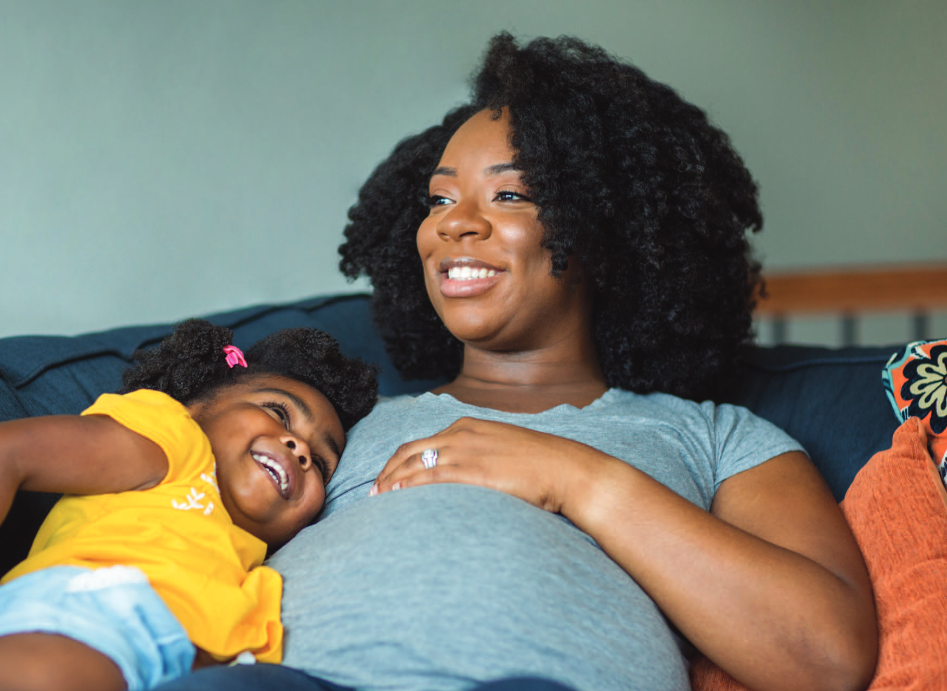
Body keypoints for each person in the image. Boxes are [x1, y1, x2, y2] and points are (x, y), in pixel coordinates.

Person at [157, 34, 878, 691]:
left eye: (509, 193)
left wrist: (572, 478)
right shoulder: (333, 424)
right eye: (439, 198)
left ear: (601, 229)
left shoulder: (719, 439)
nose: (453, 222)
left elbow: (826, 657)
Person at [0, 319, 379, 691]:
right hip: (80, 615)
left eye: (320, 462)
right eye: (279, 412)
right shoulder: (174, 445)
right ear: (199, 405)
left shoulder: (254, 573)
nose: (299, 448)